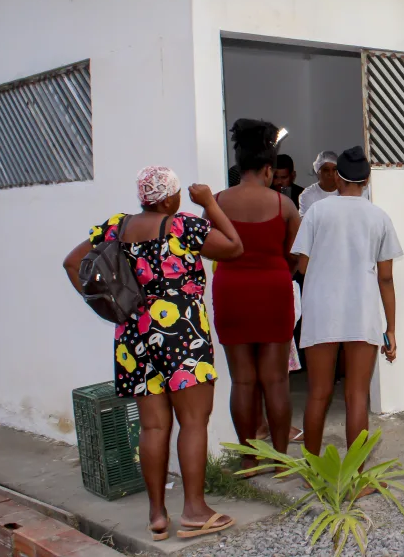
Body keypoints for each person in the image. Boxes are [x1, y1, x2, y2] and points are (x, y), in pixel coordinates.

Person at [63, 167, 243, 541]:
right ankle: (194, 510)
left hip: (133, 334)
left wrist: (105, 305)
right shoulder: (181, 226)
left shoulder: (117, 226)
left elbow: (72, 261)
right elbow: (233, 246)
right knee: (193, 421)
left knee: (153, 426)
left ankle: (157, 515)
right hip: (181, 333)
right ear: (166, 199)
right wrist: (209, 202)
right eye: (176, 194)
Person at [291, 146, 400, 456]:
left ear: (337, 178)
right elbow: (386, 278)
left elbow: (302, 266)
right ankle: (355, 479)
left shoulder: (316, 212)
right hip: (361, 311)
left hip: (321, 311)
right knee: (356, 396)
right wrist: (391, 329)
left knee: (318, 395)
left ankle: (312, 472)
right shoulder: (378, 217)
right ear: (366, 181)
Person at [211, 120, 301, 473]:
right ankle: (280, 461)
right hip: (274, 289)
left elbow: (211, 248)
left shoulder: (217, 202)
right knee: (276, 380)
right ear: (268, 168)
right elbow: (295, 254)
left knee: (243, 380)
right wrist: (279, 273)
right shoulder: (284, 205)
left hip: (231, 291)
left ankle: (249, 458)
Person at [298, 150, 372, 216]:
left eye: (334, 170)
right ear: (318, 172)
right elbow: (306, 224)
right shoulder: (308, 195)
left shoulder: (349, 190)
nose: (331, 173)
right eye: (326, 170)